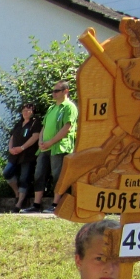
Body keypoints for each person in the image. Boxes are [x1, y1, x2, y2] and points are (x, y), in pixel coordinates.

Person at [27, 81, 78, 213]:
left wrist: (51, 142)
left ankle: (57, 205)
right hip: (44, 147)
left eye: (56, 91)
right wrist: (41, 141)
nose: (53, 93)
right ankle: (36, 205)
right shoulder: (51, 108)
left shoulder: (69, 107)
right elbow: (44, 127)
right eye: (53, 91)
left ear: (66, 91)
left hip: (59, 147)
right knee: (39, 174)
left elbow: (67, 128)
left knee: (58, 176)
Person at [5, 103, 41, 212]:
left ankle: (19, 203)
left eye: (28, 110)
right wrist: (10, 148)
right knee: (7, 173)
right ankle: (17, 193)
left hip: (27, 155)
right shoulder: (18, 124)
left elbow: (35, 137)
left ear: (33, 112)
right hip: (14, 154)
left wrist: (22, 148)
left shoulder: (35, 123)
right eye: (24, 110)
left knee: (24, 179)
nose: (25, 112)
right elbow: (12, 137)